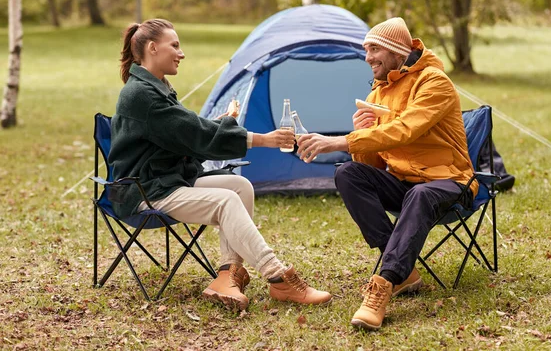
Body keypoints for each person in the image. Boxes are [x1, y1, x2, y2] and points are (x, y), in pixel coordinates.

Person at [109, 18, 332, 311]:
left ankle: (228, 274)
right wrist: (265, 139)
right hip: (144, 190)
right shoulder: (142, 94)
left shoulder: (156, 87)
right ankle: (279, 278)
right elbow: (195, 134)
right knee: (225, 201)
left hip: (166, 180)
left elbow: (187, 131)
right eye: (174, 45)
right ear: (152, 48)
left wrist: (219, 126)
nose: (181, 53)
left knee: (239, 186)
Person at [297, 17, 477, 330]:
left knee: (421, 194)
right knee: (348, 173)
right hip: (404, 184)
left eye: (374, 49)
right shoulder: (377, 96)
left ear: (396, 51)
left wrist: (340, 140)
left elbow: (406, 130)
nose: (367, 57)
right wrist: (361, 138)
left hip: (449, 183)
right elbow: (373, 167)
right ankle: (403, 270)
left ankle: (384, 283)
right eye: (366, 50)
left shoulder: (434, 82)